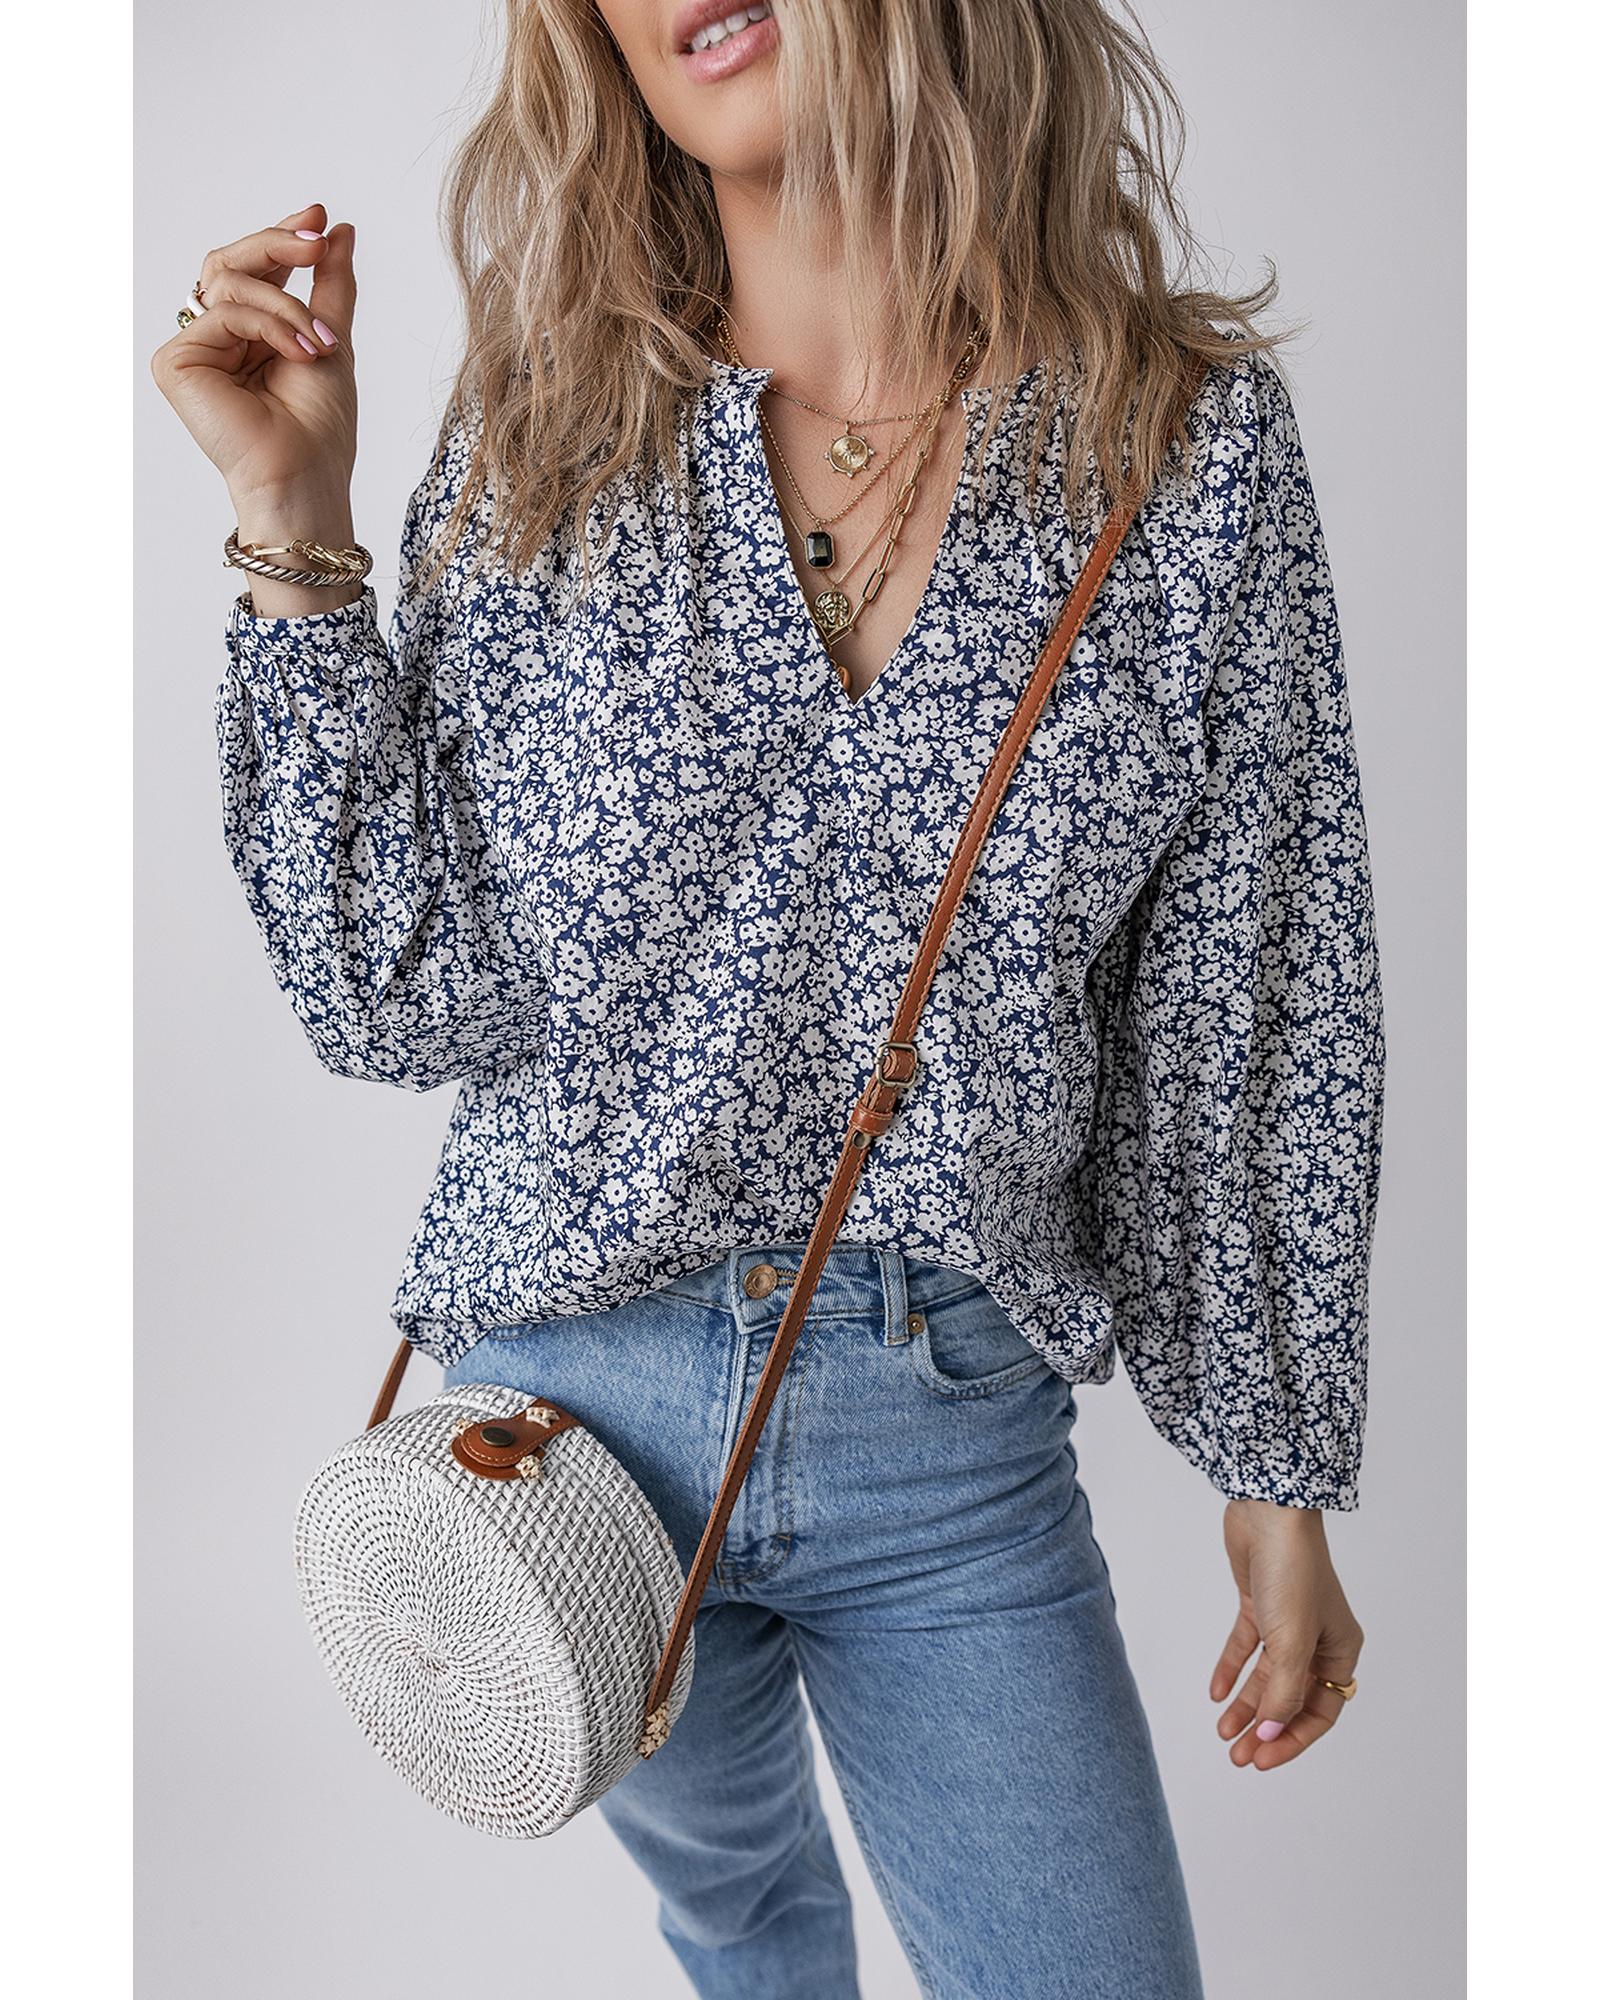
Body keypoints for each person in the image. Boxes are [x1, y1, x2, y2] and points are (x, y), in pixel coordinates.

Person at [150, 3, 1383, 1994]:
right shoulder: (548, 429)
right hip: (560, 1444)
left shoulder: (1180, 446)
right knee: (744, 1942)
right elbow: (398, 1001)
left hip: (943, 1434)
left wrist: (1274, 1463)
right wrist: (295, 533)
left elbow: (1252, 995)